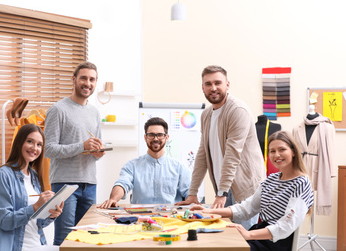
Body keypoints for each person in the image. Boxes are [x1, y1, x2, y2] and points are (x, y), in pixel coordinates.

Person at [190, 131, 314, 251]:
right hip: (261, 235)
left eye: (282, 149)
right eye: (272, 151)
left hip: (277, 241)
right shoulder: (270, 180)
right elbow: (246, 208)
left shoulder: (301, 183)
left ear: (293, 151)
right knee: (214, 241)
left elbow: (286, 226)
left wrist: (248, 235)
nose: (276, 155)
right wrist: (209, 211)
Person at [176, 65, 266, 230]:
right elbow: (202, 154)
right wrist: (192, 193)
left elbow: (233, 154)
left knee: (243, 240)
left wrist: (221, 194)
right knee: (226, 239)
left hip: (243, 188)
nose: (213, 88)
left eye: (218, 82)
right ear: (203, 87)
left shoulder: (237, 110)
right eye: (208, 84)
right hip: (223, 187)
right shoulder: (206, 114)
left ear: (227, 84)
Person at [44, 61, 105, 245]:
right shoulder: (58, 110)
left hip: (90, 184)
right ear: (74, 80)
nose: (88, 83)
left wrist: (98, 152)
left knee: (86, 239)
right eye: (84, 78)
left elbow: (94, 146)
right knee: (65, 239)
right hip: (64, 184)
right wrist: (82, 146)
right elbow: (49, 149)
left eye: (92, 79)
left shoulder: (95, 112)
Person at [0, 123, 64, 251]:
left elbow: (36, 222)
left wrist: (51, 215)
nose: (35, 148)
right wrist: (35, 207)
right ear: (19, 143)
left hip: (38, 244)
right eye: (30, 141)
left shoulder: (34, 175)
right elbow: (4, 221)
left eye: (39, 144)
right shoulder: (2, 175)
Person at [97, 117, 191, 208]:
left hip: (170, 218)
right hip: (140, 217)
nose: (155, 138)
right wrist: (113, 199)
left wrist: (192, 201)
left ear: (166, 138)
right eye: (151, 135)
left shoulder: (179, 168)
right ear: (145, 137)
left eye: (160, 135)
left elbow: (189, 192)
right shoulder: (132, 166)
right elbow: (122, 183)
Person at [292, 104, 336, 215]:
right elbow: (293, 150)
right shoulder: (297, 128)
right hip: (300, 167)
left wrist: (332, 171)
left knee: (313, 192)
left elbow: (331, 148)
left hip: (318, 166)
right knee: (297, 198)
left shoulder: (327, 127)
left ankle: (312, 229)